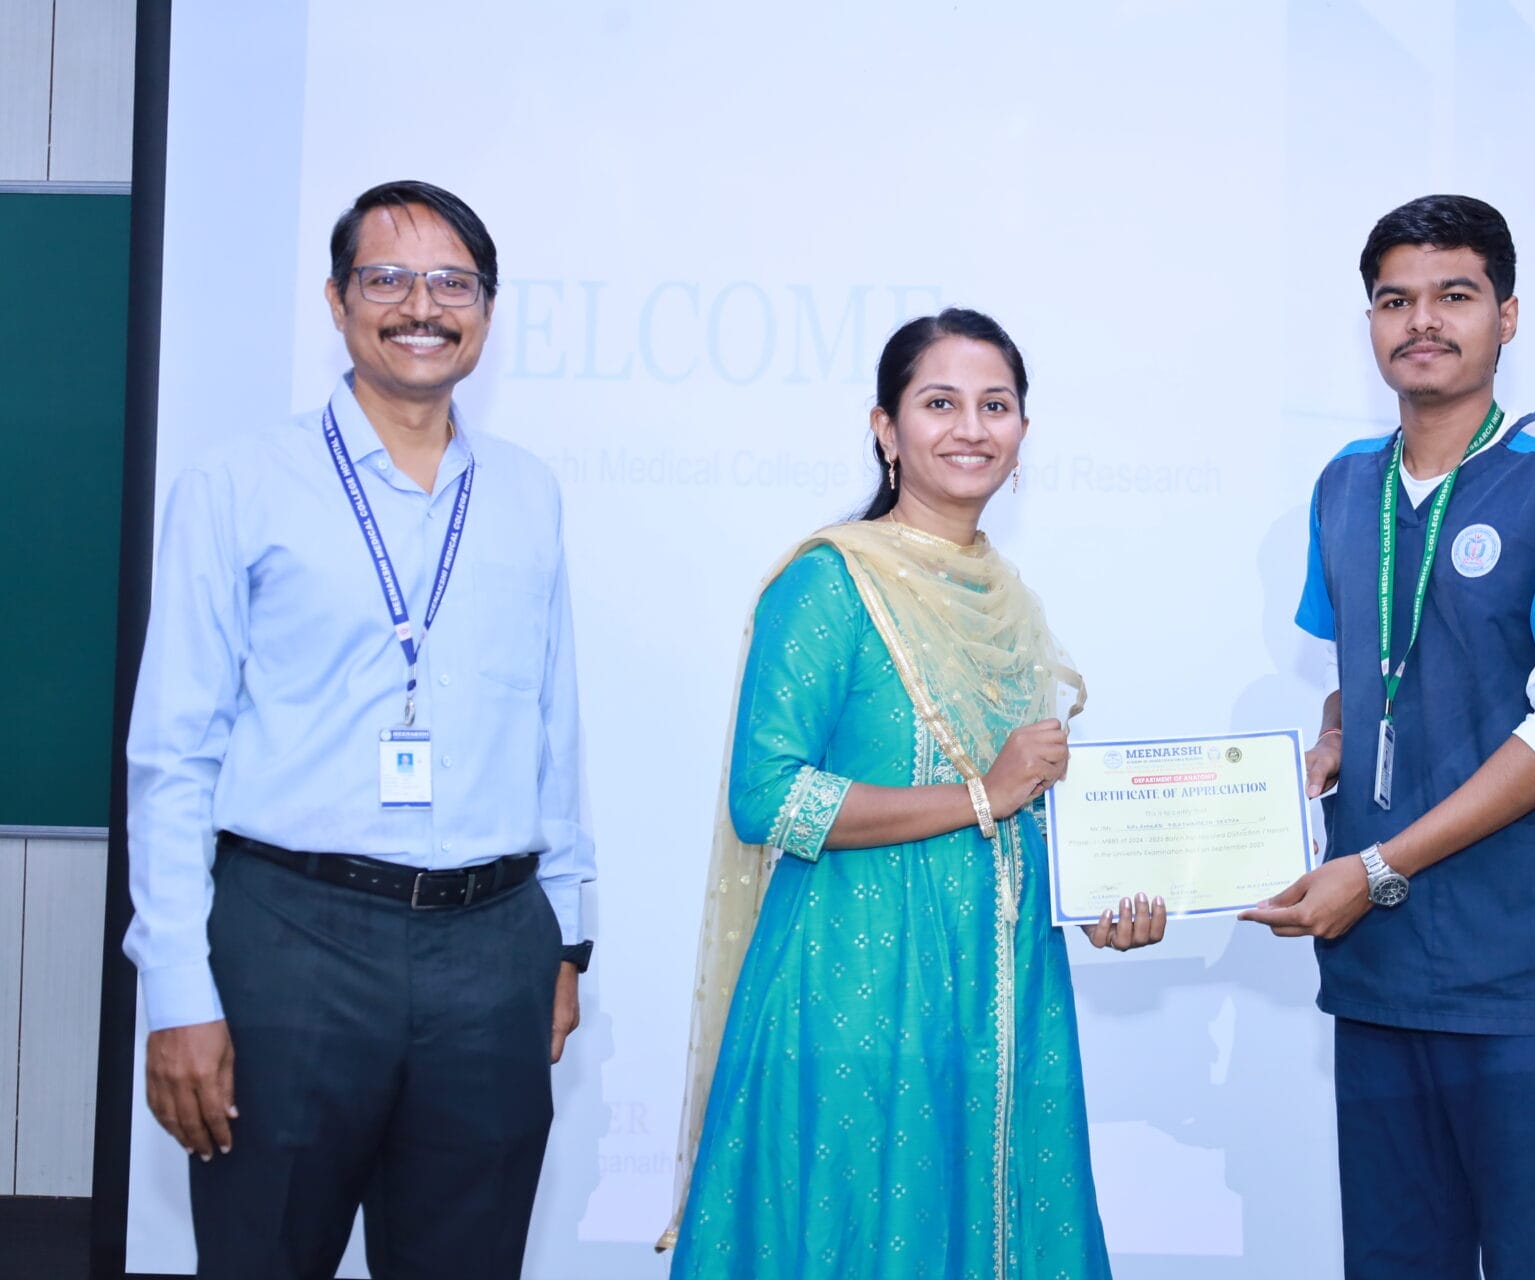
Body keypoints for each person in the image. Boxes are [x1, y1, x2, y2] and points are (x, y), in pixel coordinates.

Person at [124, 179, 595, 1279]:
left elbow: (553, 724)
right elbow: (173, 756)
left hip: (494, 947)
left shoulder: (525, 492)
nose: (421, 306)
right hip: (293, 940)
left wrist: (566, 936)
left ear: (486, 309)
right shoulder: (237, 484)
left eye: (452, 284)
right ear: (337, 302)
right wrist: (178, 987)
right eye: (388, 279)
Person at [659, 308, 1165, 1279]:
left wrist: (1094, 899)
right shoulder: (828, 581)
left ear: (1023, 432)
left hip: (1001, 988)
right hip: (857, 985)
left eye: (996, 406)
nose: (972, 428)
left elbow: (1024, 804)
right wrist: (983, 794)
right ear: (886, 429)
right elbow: (768, 798)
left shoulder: (1004, 597)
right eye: (940, 403)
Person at [1242, 195, 1535, 1279]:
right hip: (1380, 970)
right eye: (1395, 300)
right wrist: (1334, 740)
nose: (1422, 320)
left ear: (1507, 316)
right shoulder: (1345, 483)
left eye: (1454, 295)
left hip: (1521, 971)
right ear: (1370, 322)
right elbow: (1361, 671)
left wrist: (1378, 864)